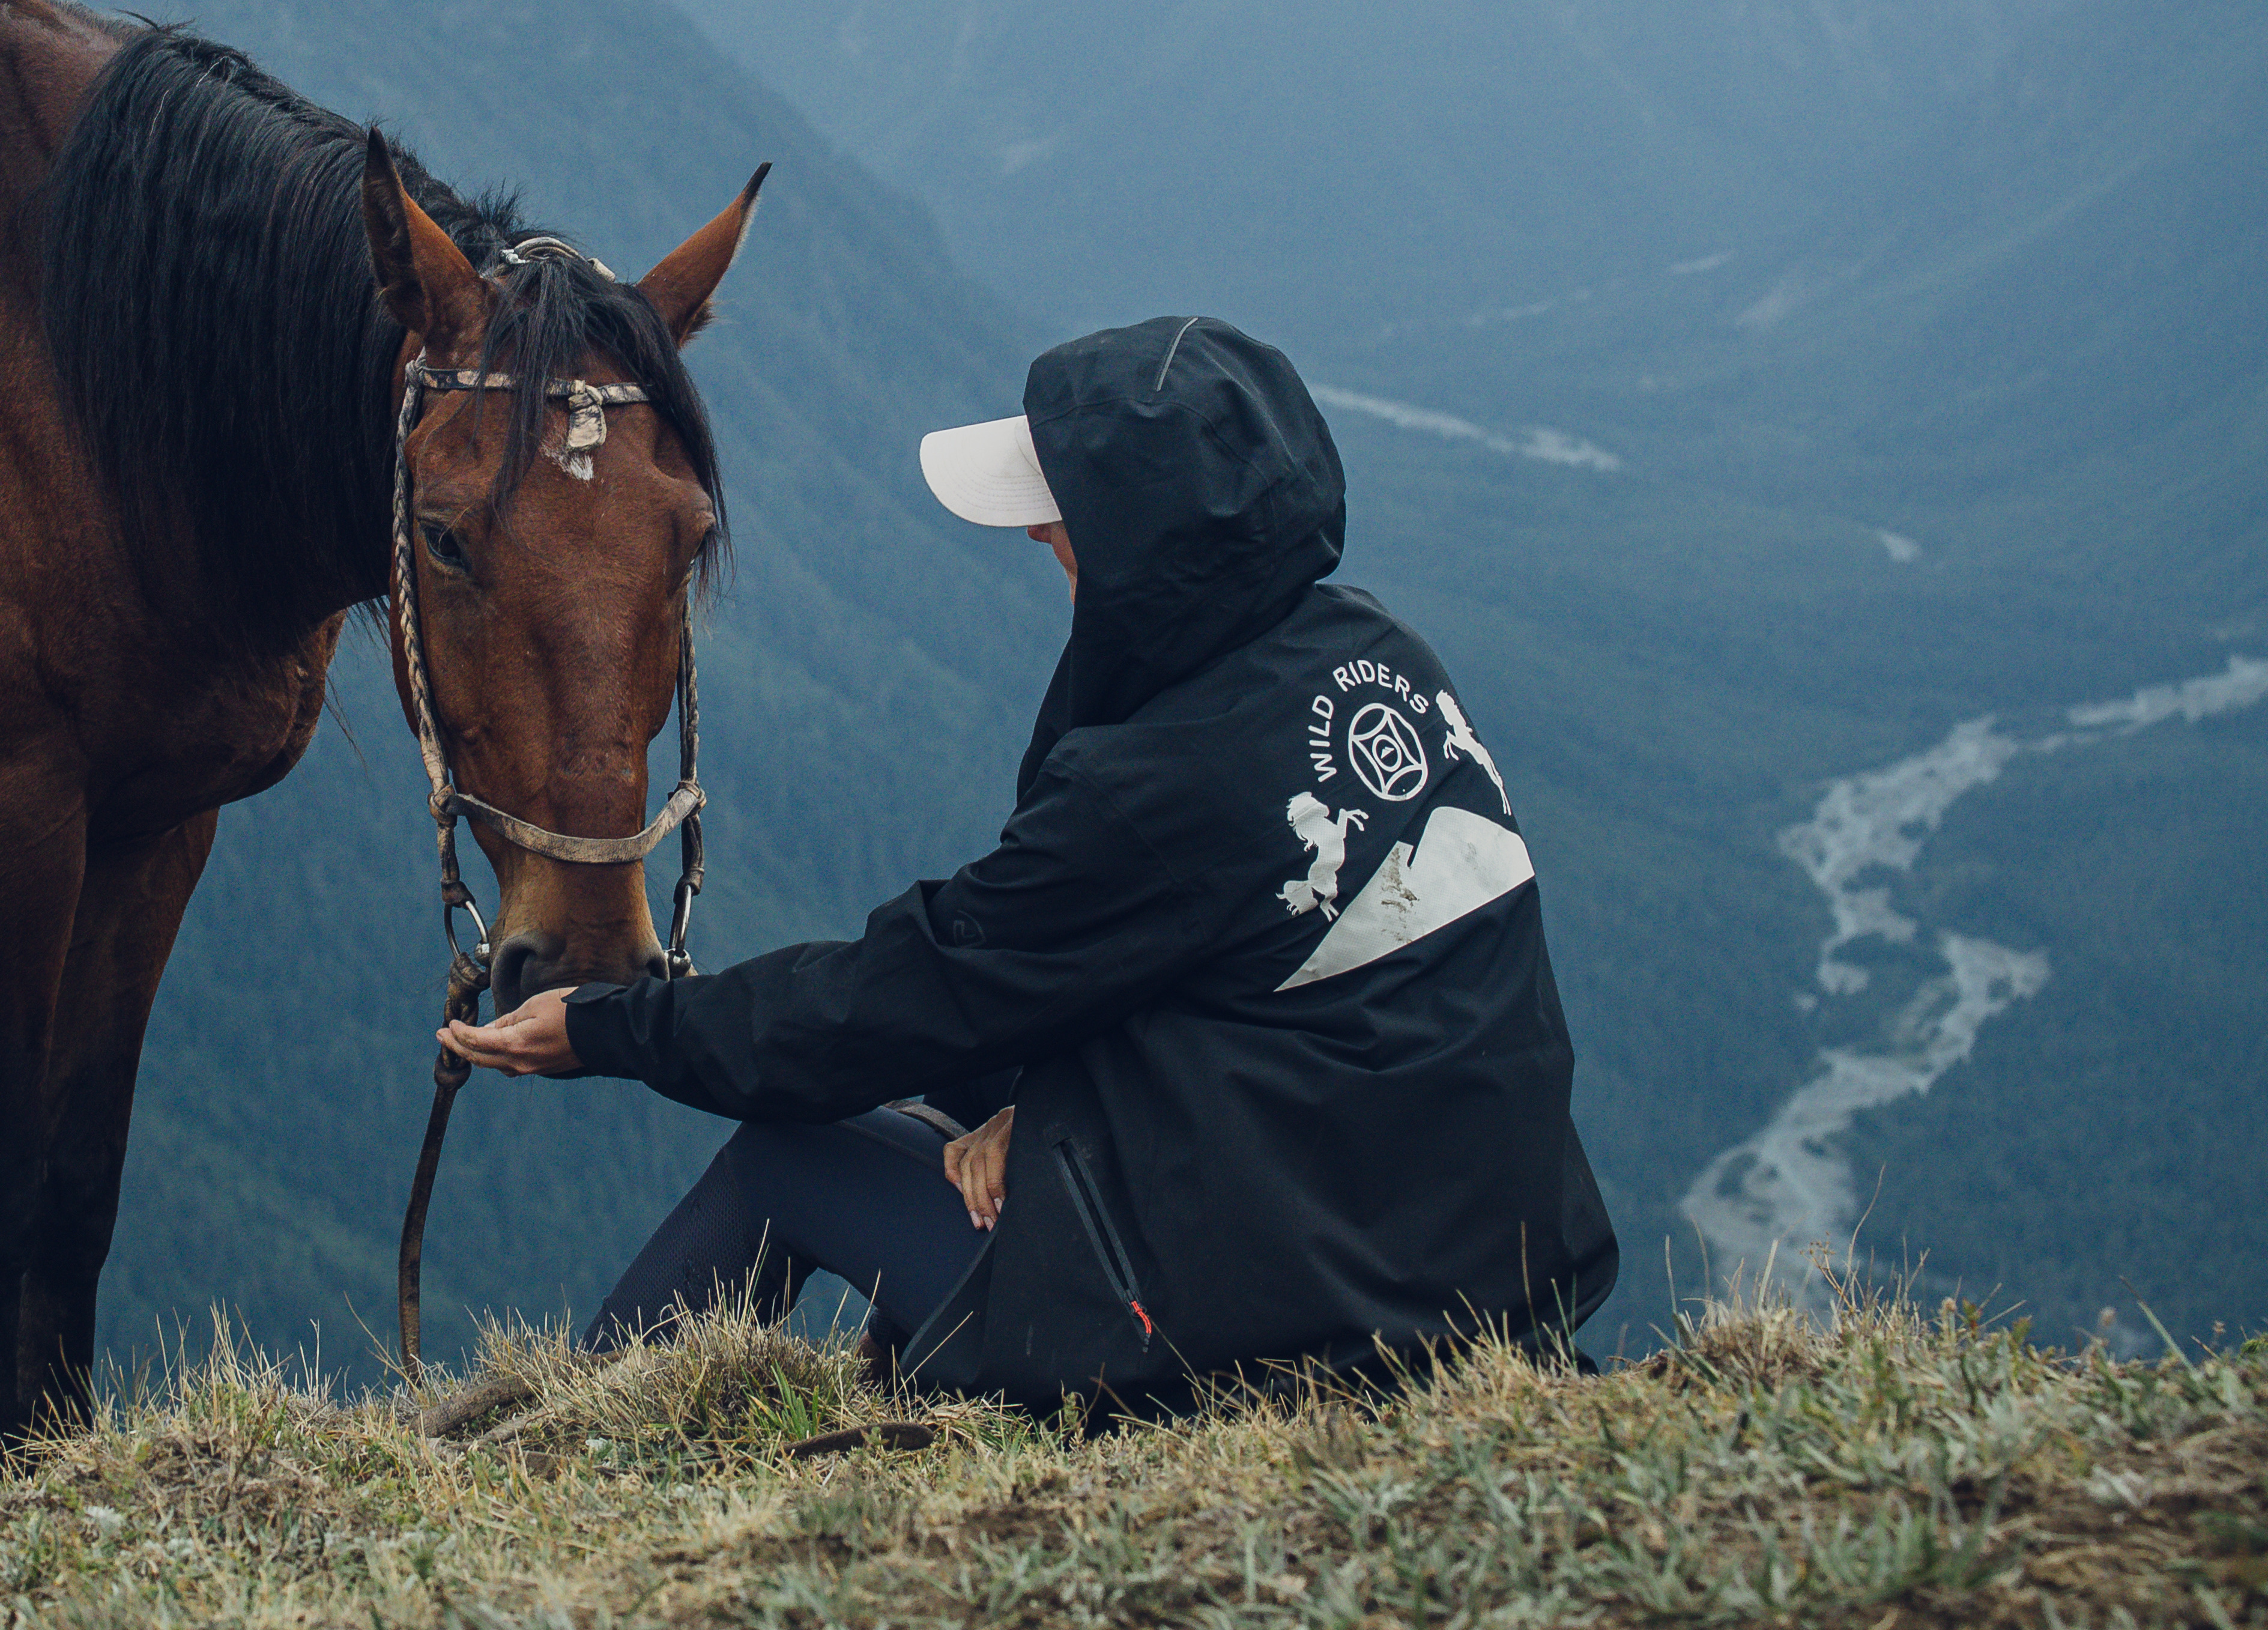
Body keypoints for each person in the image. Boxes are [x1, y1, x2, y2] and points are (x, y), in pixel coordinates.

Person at [443, 315, 1618, 1411]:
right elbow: (1256, 988)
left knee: (786, 1164)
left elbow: (888, 1000)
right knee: (936, 1104)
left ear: (1147, 545)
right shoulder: (1378, 655)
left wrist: (610, 1027)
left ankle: (561, 1456)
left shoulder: (1165, 784)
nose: (1038, 534)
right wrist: (1038, 1101)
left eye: (1068, 513)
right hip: (1473, 1285)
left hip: (1299, 1342)